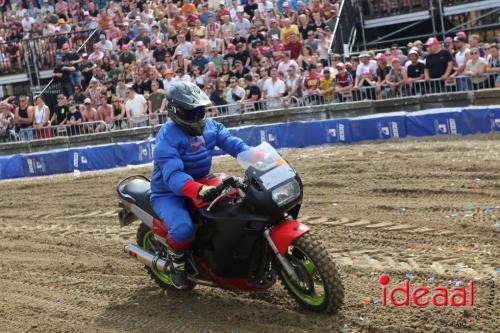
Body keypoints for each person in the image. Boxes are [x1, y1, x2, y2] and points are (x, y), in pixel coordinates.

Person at [150, 81, 250, 289]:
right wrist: (198, 190)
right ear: (177, 111)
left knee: (237, 204)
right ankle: (177, 263)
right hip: (169, 193)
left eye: (200, 110)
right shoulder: (167, 136)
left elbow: (233, 143)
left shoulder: (211, 126)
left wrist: (258, 158)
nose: (197, 116)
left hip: (202, 183)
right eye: (191, 111)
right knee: (182, 228)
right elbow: (174, 175)